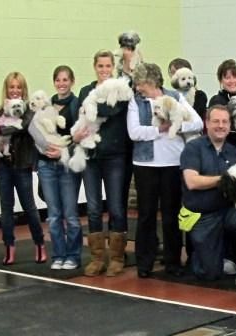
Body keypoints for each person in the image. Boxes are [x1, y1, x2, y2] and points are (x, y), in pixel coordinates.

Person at [128, 63, 203, 278]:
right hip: (145, 165)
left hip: (172, 163)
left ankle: (172, 262)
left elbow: (196, 122)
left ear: (151, 82)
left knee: (171, 215)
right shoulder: (136, 101)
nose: (138, 87)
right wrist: (159, 129)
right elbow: (134, 132)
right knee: (146, 215)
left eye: (140, 83)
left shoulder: (175, 97)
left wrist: (175, 126)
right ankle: (144, 262)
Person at [181, 104, 236, 290]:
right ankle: (204, 257)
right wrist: (227, 179)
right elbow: (192, 182)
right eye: (216, 121)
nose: (221, 126)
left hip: (228, 211)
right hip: (203, 215)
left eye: (225, 122)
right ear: (207, 123)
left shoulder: (234, 152)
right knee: (209, 274)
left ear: (229, 125)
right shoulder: (193, 148)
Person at [76, 50, 134, 277]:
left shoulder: (119, 89)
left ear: (113, 67)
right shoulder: (84, 91)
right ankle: (97, 257)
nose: (104, 70)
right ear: (94, 67)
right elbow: (79, 116)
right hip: (91, 156)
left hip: (115, 156)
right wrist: (78, 133)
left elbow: (110, 110)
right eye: (100, 66)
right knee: (92, 208)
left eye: (108, 66)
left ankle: (117, 257)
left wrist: (90, 109)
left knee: (116, 207)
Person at [31, 65, 85, 270]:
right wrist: (45, 149)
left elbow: (80, 134)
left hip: (67, 164)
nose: (61, 83)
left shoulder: (77, 104)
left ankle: (73, 255)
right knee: (53, 215)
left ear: (72, 81)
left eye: (65, 80)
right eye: (58, 80)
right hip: (46, 164)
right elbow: (35, 130)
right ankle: (58, 255)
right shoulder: (46, 105)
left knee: (70, 214)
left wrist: (64, 150)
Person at [0, 72, 45, 265]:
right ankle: (9, 246)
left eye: (18, 87)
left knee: (29, 206)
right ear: (6, 89)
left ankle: (39, 243)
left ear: (24, 90)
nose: (15, 90)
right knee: (6, 207)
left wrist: (0, 129)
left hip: (22, 164)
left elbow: (22, 127)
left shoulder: (29, 111)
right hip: (2, 165)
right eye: (11, 87)